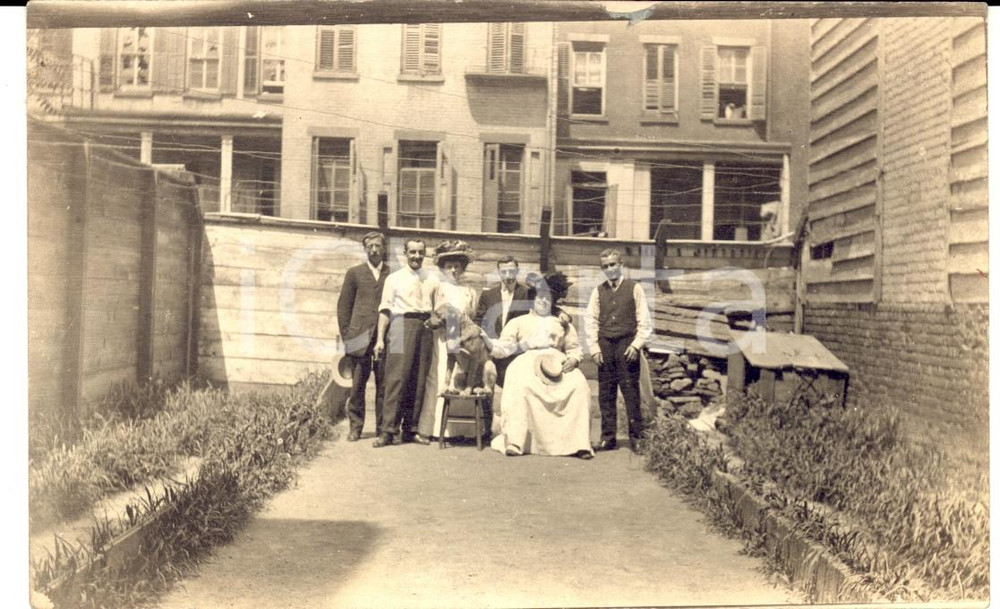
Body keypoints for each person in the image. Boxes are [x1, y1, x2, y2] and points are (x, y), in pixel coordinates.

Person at [480, 272, 594, 459]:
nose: (542, 301)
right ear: (533, 299)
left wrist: (574, 359)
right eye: (539, 297)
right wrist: (488, 341)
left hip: (557, 363)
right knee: (521, 385)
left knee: (579, 386)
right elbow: (505, 346)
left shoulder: (561, 323)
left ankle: (579, 443)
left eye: (547, 298)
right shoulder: (518, 322)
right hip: (527, 361)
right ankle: (516, 441)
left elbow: (573, 347)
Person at [585, 248, 653, 453]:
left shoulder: (635, 288)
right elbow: (591, 321)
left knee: (630, 391)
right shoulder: (598, 291)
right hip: (605, 345)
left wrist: (636, 344)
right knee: (606, 392)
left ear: (621, 265)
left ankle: (637, 438)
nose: (610, 269)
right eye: (605, 266)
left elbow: (644, 320)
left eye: (613, 264)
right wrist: (594, 348)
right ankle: (608, 438)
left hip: (627, 346)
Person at [372, 239, 438, 448]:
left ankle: (411, 428)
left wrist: (432, 321)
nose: (416, 256)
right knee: (396, 379)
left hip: (425, 327)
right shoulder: (394, 279)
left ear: (425, 253)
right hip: (400, 325)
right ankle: (387, 430)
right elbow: (385, 310)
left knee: (418, 380)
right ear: (405, 253)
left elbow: (439, 308)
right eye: (412, 252)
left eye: (420, 252)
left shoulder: (432, 279)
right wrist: (380, 339)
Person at [417, 240, 484, 441]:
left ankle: (461, 432)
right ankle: (432, 429)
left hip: (463, 340)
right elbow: (432, 314)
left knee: (461, 374)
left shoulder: (469, 291)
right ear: (442, 268)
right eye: (449, 266)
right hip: (442, 339)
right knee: (438, 377)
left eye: (457, 266)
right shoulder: (437, 287)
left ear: (462, 268)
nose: (453, 270)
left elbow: (471, 316)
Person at [336, 231, 389, 442]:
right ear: (365, 249)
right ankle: (355, 427)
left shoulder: (392, 275)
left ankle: (382, 429)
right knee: (357, 386)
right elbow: (343, 307)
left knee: (384, 386)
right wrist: (348, 336)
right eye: (370, 247)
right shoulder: (354, 273)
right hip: (358, 338)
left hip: (385, 339)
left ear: (384, 248)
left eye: (378, 246)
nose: (374, 250)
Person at [473, 255, 532, 388]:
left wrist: (561, 313)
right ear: (499, 272)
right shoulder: (488, 295)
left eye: (511, 271)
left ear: (517, 271)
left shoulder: (527, 294)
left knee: (514, 390)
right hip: (491, 350)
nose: (507, 275)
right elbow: (478, 320)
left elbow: (545, 308)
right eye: (503, 271)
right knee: (485, 390)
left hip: (516, 352)